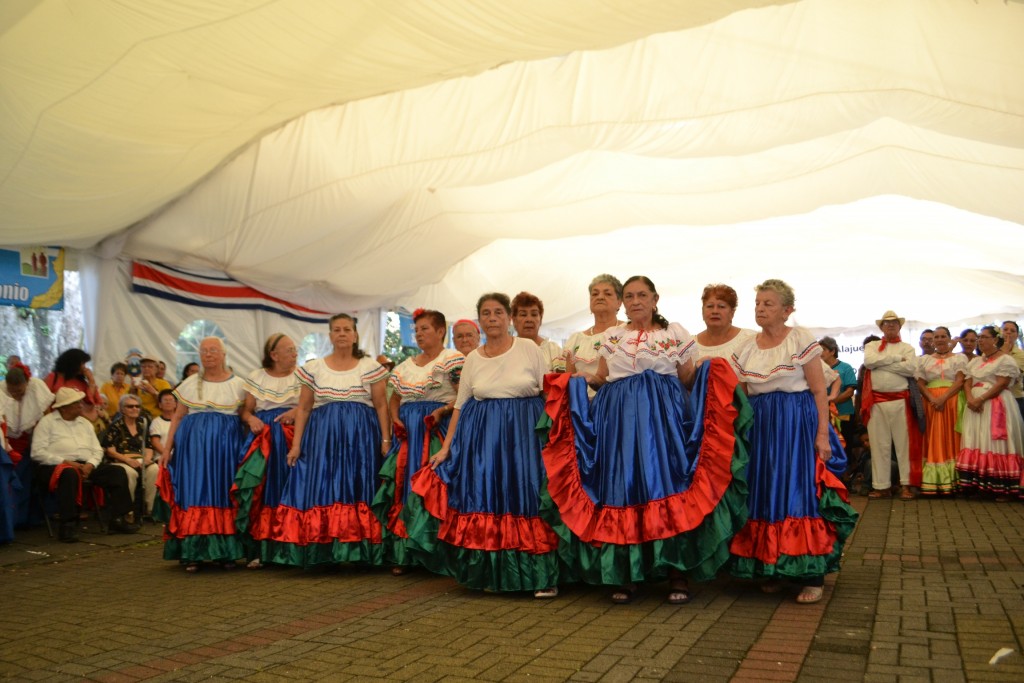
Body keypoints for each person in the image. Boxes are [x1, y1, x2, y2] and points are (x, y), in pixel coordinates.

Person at [545, 275, 748, 604]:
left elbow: (687, 377)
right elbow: (602, 376)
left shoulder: (674, 333)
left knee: (667, 485)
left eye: (642, 295)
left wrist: (710, 371)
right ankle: (627, 574)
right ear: (623, 303)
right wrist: (576, 380)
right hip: (618, 418)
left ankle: (676, 573)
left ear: (655, 299)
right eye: (629, 296)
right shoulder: (612, 336)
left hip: (662, 419)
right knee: (624, 487)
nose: (635, 301)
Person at [407, 293, 559, 598]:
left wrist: (554, 434)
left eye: (498, 312)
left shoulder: (528, 348)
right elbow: (461, 405)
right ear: (480, 320)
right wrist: (447, 447)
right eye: (486, 313)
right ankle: (491, 573)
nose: (492, 318)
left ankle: (542, 577)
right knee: (488, 498)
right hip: (483, 436)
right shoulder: (473, 358)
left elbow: (546, 392)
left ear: (509, 318)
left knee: (525, 495)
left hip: (523, 433)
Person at [729, 279, 856, 604]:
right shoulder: (747, 346)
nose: (760, 308)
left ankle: (811, 574)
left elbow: (818, 391)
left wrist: (823, 435)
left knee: (797, 491)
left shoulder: (799, 339)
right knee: (765, 492)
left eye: (768, 303)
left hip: (795, 423)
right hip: (761, 425)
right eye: (758, 302)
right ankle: (773, 567)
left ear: (787, 310)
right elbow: (742, 394)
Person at [271, 314, 390, 568]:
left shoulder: (369, 366)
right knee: (325, 486)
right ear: (330, 336)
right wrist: (296, 444)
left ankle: (359, 551)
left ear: (355, 335)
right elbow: (303, 409)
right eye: (337, 330)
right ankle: (324, 549)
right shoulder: (314, 368)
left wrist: (385, 438)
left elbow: (381, 405)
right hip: (323, 438)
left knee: (358, 485)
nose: (342, 333)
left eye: (347, 329)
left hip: (361, 436)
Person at [373, 309, 463, 574]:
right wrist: (395, 419)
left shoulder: (452, 359)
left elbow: (462, 395)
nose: (420, 334)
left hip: (436, 429)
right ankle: (406, 553)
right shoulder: (405, 366)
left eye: (425, 329)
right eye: (417, 330)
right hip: (410, 434)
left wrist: (443, 410)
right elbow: (394, 397)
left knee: (435, 485)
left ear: (440, 331)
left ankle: (435, 552)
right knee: (405, 485)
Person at [159, 337, 247, 571]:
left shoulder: (238, 384)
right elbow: (177, 416)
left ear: (224, 354)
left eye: (213, 350)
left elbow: (245, 417)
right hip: (193, 449)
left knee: (222, 492)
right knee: (195, 492)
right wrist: (168, 449)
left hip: (225, 448)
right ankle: (193, 552)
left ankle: (226, 551)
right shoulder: (189, 383)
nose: (208, 354)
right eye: (204, 351)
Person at [32, 388, 139, 542]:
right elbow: (37, 452)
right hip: (56, 465)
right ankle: (67, 525)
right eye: (76, 403)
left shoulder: (85, 423)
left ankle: (118, 519)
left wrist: (91, 464)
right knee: (69, 474)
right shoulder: (47, 422)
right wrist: (65, 462)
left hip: (85, 464)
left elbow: (97, 449)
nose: (80, 406)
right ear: (64, 407)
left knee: (117, 472)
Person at [235, 334, 300, 569]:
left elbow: (310, 404)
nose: (295, 353)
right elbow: (245, 410)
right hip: (263, 438)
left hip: (292, 437)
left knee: (290, 489)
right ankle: (260, 550)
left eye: (295, 349)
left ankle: (289, 549)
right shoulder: (256, 377)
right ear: (274, 355)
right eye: (290, 350)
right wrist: (251, 418)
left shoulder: (302, 376)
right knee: (260, 491)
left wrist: (296, 411)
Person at [957, 326, 1024, 500]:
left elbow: (1002, 383)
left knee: (994, 442)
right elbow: (967, 380)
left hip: (995, 404)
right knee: (977, 440)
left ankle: (1000, 486)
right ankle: (978, 485)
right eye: (979, 337)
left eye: (984, 337)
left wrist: (981, 399)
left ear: (995, 340)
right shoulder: (976, 361)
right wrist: (971, 398)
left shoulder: (1005, 360)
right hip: (975, 406)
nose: (980, 340)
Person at [861, 311, 919, 500]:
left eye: (894, 323)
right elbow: (869, 363)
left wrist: (882, 364)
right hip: (876, 402)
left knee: (904, 445)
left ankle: (906, 485)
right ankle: (881, 486)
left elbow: (910, 369)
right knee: (879, 445)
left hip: (900, 401)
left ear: (899, 326)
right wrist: (895, 360)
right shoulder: (872, 345)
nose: (891, 326)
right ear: (881, 327)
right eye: (887, 323)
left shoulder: (907, 348)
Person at [914, 327, 966, 496]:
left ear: (950, 338)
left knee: (952, 439)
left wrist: (943, 398)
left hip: (951, 401)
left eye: (943, 336)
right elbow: (920, 383)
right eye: (937, 337)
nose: (940, 339)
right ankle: (933, 481)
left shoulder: (959, 358)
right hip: (931, 403)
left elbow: (959, 381)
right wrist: (932, 398)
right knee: (933, 438)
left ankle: (954, 480)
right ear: (932, 340)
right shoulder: (925, 360)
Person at [1, 367, 53, 526]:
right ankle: (10, 519)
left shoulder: (36, 386)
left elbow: (46, 415)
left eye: (19, 391)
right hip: (7, 440)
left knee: (25, 480)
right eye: (12, 392)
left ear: (26, 384)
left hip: (30, 439)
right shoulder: (1, 390)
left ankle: (24, 519)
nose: (16, 395)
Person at [563, 274, 624, 387]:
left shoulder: (628, 332)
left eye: (607, 293)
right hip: (584, 403)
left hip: (619, 401)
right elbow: (570, 384)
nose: (600, 297)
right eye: (595, 294)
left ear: (619, 302)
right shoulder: (576, 340)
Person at [101, 395, 158, 517]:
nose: (134, 409)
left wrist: (147, 459)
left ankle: (149, 508)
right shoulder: (115, 426)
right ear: (122, 409)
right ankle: (128, 510)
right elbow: (110, 451)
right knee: (129, 473)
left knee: (155, 469)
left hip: (140, 459)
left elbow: (149, 447)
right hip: (121, 460)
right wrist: (127, 460)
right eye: (130, 406)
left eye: (137, 406)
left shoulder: (143, 425)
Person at [692, 283, 755, 365]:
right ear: (702, 311)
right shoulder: (690, 346)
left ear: (732, 313)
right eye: (710, 306)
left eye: (721, 307)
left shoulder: (749, 340)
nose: (715, 311)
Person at [819, 337, 858, 448]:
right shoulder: (816, 368)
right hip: (823, 414)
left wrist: (831, 402)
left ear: (832, 351)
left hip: (843, 413)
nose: (820, 353)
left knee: (845, 444)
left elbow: (849, 392)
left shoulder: (846, 368)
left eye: (823, 349)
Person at [511, 291, 563, 371]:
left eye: (534, 314)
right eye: (523, 315)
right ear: (514, 320)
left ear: (541, 319)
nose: (529, 319)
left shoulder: (554, 351)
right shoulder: (507, 351)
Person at [132, 354, 171, 419]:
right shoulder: (137, 382)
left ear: (157, 369)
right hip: (138, 418)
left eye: (150, 366)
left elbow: (168, 404)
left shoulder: (164, 384)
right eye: (143, 366)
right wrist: (132, 389)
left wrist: (154, 392)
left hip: (157, 419)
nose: (146, 369)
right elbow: (126, 404)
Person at [1000, 321, 1024, 419]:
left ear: (1017, 335)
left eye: (1012, 331)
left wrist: (1004, 353)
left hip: (1014, 397)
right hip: (994, 397)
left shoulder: (1021, 355)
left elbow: (1013, 378)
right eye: (1005, 330)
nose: (1008, 333)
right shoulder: (990, 352)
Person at [148, 390, 177, 464]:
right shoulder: (156, 422)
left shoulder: (182, 422)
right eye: (165, 400)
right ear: (160, 405)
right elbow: (155, 442)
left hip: (180, 457)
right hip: (162, 458)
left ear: (176, 404)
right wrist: (168, 455)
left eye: (171, 400)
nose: (168, 402)